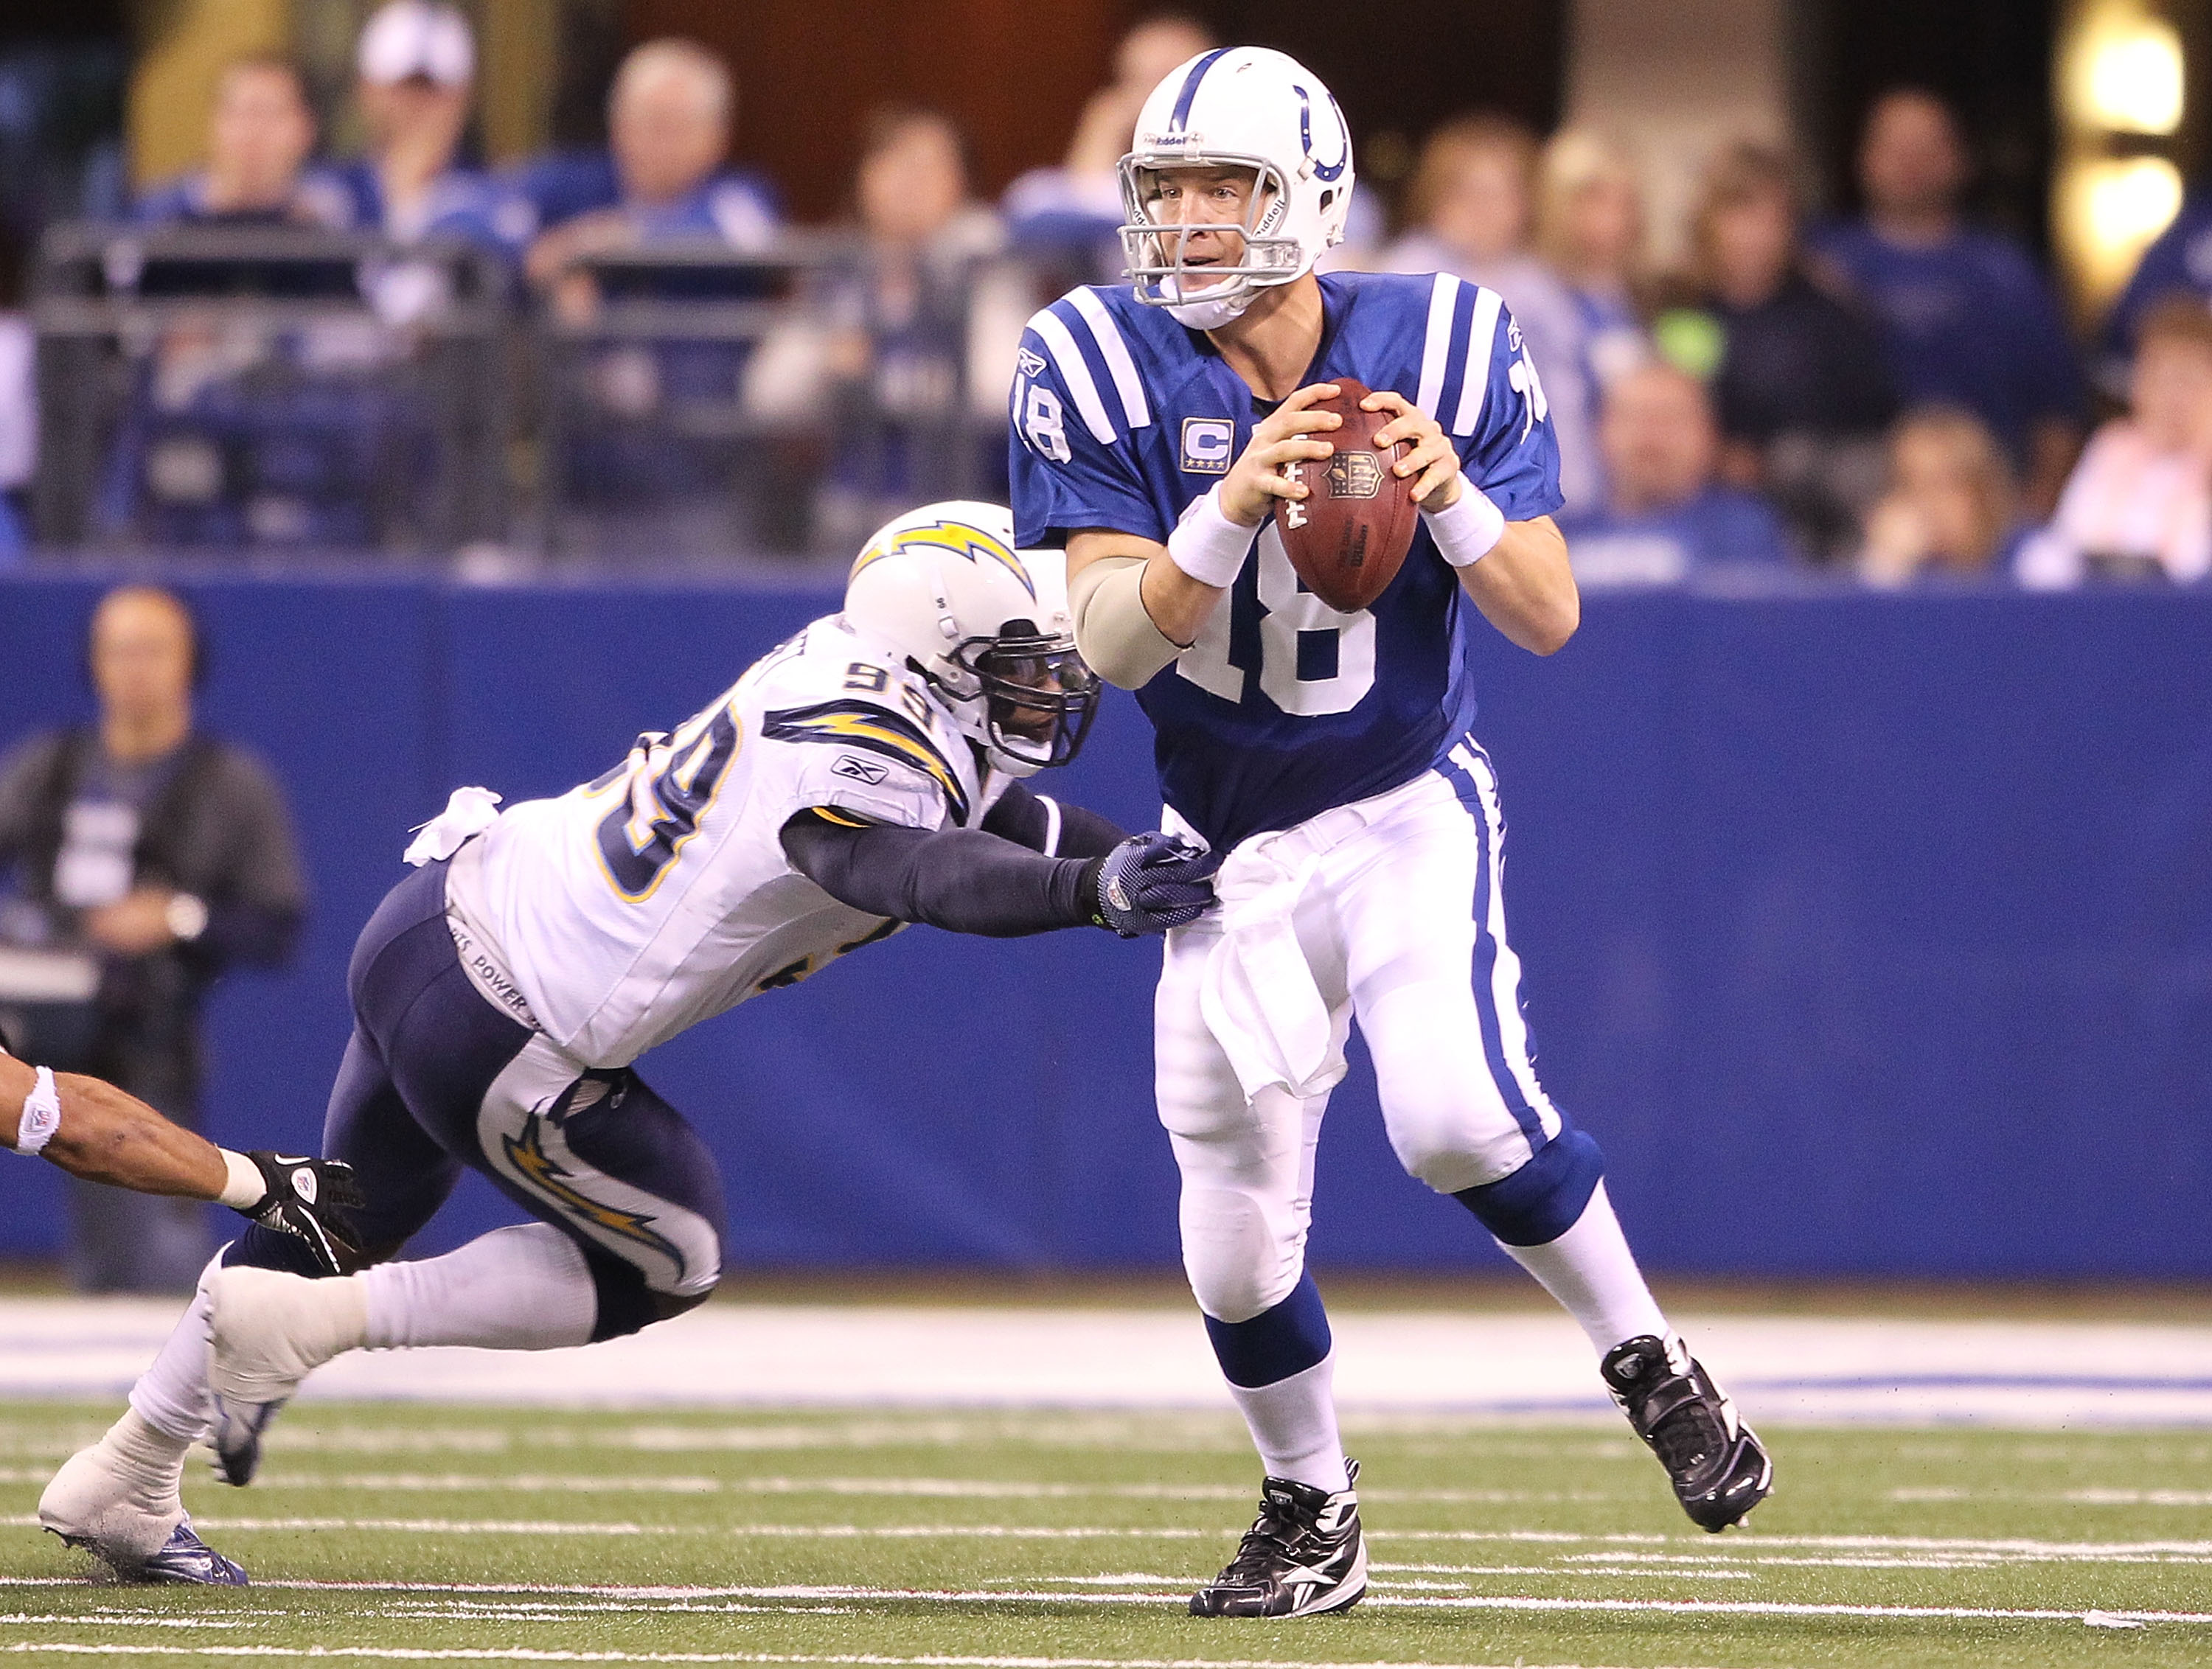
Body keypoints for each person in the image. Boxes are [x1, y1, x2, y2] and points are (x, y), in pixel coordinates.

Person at [39, 501, 1220, 1586]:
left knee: (337, 1213)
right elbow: (908, 865)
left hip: (434, 919)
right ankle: (323, 1327)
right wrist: (1087, 891)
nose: (1054, 683)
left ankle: (128, 1473)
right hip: (511, 1019)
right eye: (1022, 664)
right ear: (941, 654)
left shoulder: (875, 675)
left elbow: (1001, 814)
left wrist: (1150, 867)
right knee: (677, 1248)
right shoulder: (855, 742)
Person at [1009, 46, 1771, 1620]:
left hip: (1400, 807)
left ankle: (1654, 1362)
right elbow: (1102, 643)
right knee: (1228, 1248)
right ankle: (1313, 1510)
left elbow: (1548, 613)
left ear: (1312, 199)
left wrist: (1454, 501)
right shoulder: (1090, 355)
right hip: (1222, 851)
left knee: (1453, 1115)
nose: (1195, 221)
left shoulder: (1443, 336)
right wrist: (1227, 508)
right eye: (1171, 190)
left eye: (1231, 187)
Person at [0, 587, 308, 1292]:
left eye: (154, 650)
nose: (135, 669)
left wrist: (177, 917)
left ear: (189, 664)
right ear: (93, 664)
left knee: (147, 1254)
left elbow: (277, 922)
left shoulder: (230, 783)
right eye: (119, 650)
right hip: (28, 1028)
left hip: (145, 1042)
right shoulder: (48, 767)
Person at [748, 107, 1026, 543]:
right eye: (890, 163)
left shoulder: (986, 270)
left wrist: (887, 375)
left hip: (965, 519)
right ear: (863, 179)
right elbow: (768, 395)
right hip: (848, 515)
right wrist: (823, 364)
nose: (907, 183)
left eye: (926, 167)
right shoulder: (834, 276)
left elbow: (1005, 391)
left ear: (960, 183)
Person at [1806, 89, 2086, 518]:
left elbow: (2057, 408)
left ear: (1960, 160)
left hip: (1990, 504)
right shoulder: (1820, 267)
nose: (1909, 163)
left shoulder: (2007, 272)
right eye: (1895, 148)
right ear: (1865, 158)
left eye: (1926, 148)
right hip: (1853, 504)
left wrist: (2041, 502)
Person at [1661, 142, 1896, 562]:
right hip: (1704, 514)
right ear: (1708, 221)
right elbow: (1672, 408)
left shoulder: (1830, 316)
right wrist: (1718, 457)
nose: (1758, 235)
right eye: (1741, 214)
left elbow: (1875, 426)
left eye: (1774, 219)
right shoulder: (1683, 312)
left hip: (1821, 516)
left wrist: (1781, 465)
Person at [1381, 115, 1603, 514]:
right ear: (1436, 199)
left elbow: (1570, 391)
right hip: (1434, 487)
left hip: (1547, 492)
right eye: (1470, 193)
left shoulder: (1543, 283)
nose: (1485, 210)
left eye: (1501, 194)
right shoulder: (1405, 272)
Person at [512, 38, 779, 302]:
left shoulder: (738, 196)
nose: (663, 143)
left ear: (717, 137)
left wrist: (606, 242)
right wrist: (542, 256)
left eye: (680, 127)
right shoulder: (578, 181)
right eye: (649, 122)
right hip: (594, 344)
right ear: (616, 124)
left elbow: (747, 236)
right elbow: (492, 208)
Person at [1002, 12, 1219, 283]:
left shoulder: (1248, 174)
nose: (1158, 99)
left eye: (1171, 81)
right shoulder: (1055, 191)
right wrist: (1103, 127)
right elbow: (1033, 213)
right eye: (1141, 82)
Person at [2019, 294, 2212, 588]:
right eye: (2162, 378)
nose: (2174, 399)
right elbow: (2063, 546)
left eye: (2189, 380)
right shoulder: (2112, 446)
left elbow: (2194, 561)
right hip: (2102, 612)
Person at [1557, 362, 1793, 585]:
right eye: (1635, 417)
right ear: (1600, 430)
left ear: (1708, 434)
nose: (1651, 437)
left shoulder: (1743, 533)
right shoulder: (1555, 537)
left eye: (1670, 419)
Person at [329, 1, 504, 251]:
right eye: (402, 88)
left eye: (434, 90)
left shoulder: (492, 198)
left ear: (464, 98)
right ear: (366, 91)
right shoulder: (329, 193)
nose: (417, 105)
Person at [132, 56, 349, 229]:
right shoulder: (157, 220)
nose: (252, 132)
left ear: (307, 128)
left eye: (270, 113)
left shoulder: (340, 216)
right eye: (239, 112)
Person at [1534, 128, 1649, 394]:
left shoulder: (1638, 295)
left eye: (1625, 202)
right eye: (1595, 199)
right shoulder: (1531, 296)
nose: (1613, 219)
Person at [1857, 407, 2025, 586]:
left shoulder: (2029, 560)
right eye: (1909, 486)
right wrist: (1886, 562)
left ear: (1982, 491)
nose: (1926, 504)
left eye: (1942, 485)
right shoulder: (1901, 567)